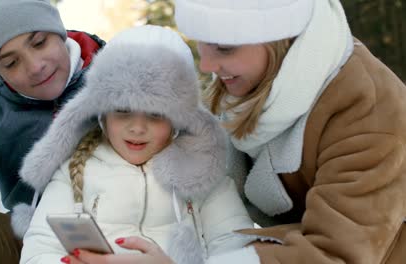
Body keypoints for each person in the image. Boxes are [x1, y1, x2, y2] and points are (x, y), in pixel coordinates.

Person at [64, 0, 406, 263]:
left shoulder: (369, 110)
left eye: (224, 48)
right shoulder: (247, 81)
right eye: (203, 44)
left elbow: (339, 254)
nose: (208, 66)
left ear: (277, 38)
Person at [14, 25, 255, 264]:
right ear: (102, 114)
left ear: (178, 119)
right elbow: (40, 249)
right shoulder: (73, 171)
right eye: (123, 110)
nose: (137, 128)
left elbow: (238, 249)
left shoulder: (202, 175)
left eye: (156, 114)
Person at [0, 0, 105, 263]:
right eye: (11, 62)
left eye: (39, 42)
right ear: (0, 74)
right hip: (35, 243)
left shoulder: (120, 75)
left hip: (131, 239)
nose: (35, 66)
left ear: (58, 31)